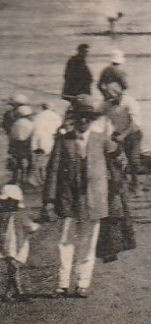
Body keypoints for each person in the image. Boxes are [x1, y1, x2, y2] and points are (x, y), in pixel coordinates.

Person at [38, 96, 115, 297]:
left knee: (88, 243)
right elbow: (53, 171)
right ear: (75, 118)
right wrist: (48, 200)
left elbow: (116, 164)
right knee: (65, 241)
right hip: (68, 200)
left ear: (92, 120)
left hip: (94, 200)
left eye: (87, 118)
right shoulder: (63, 141)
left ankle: (82, 283)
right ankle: (62, 284)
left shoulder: (101, 140)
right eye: (80, 117)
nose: (83, 122)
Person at [2, 183, 39, 300]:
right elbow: (31, 228)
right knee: (13, 268)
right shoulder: (12, 214)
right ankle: (18, 291)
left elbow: (30, 227)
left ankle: (10, 293)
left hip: (14, 245)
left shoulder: (19, 215)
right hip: (10, 246)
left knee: (12, 268)